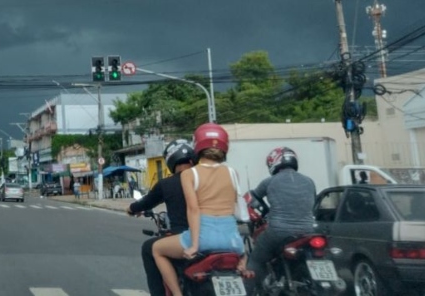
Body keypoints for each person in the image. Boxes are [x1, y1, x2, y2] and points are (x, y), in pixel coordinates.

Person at [152, 123, 245, 296]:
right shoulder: (233, 173)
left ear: (197, 145)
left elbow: (193, 210)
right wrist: (242, 252)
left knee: (157, 249)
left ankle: (177, 294)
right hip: (232, 240)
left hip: (204, 237)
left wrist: (194, 245)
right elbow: (235, 209)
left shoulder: (190, 174)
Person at [240, 147, 316, 292]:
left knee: (256, 259)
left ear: (273, 163)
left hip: (278, 231)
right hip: (308, 231)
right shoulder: (309, 181)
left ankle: (247, 291)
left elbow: (250, 200)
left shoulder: (269, 182)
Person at [127, 139, 195, 296]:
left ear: (171, 161)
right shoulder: (203, 179)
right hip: (212, 236)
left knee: (148, 248)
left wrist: (131, 208)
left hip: (183, 236)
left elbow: (145, 203)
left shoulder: (167, 184)